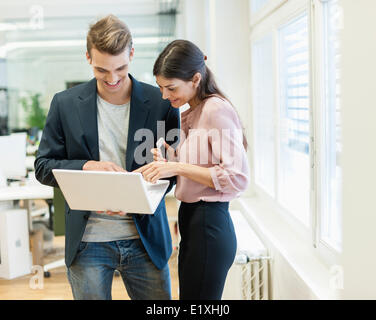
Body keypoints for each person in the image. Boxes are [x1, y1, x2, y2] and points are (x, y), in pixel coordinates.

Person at [34, 15, 180, 300]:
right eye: (102, 70)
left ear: (132, 54)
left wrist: (142, 190)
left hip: (145, 239)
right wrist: (88, 167)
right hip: (88, 243)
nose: (112, 79)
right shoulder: (64, 104)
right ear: (87, 57)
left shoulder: (161, 102)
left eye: (121, 68)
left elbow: (174, 171)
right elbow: (43, 167)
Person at [135, 39, 250, 300]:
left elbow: (237, 178)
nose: (165, 96)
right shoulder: (193, 113)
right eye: (160, 88)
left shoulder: (215, 109)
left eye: (171, 88)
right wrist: (171, 161)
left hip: (209, 224)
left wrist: (178, 166)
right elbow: (202, 165)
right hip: (192, 221)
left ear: (195, 78)